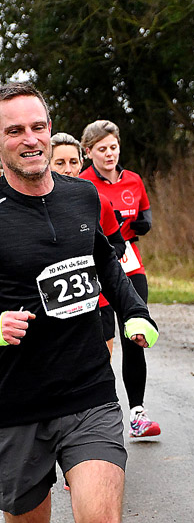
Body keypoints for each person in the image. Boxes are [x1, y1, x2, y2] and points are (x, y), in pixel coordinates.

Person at [0, 83, 158, 523]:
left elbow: (107, 263)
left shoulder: (80, 195)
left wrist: (135, 310)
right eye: (15, 130)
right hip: (15, 407)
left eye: (38, 126)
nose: (31, 139)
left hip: (89, 392)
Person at [80, 120, 160, 439]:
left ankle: (138, 413)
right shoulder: (82, 184)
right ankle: (96, 413)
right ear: (89, 152)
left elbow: (145, 214)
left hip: (130, 262)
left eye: (113, 147)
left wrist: (143, 224)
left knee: (134, 333)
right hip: (97, 265)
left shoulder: (134, 180)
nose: (109, 153)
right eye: (102, 149)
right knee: (103, 341)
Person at [51, 132, 125, 356]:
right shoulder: (33, 206)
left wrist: (96, 261)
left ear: (81, 164)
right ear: (47, 164)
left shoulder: (97, 200)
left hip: (97, 302)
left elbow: (117, 245)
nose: (68, 169)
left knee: (102, 368)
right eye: (60, 163)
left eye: (73, 162)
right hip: (53, 309)